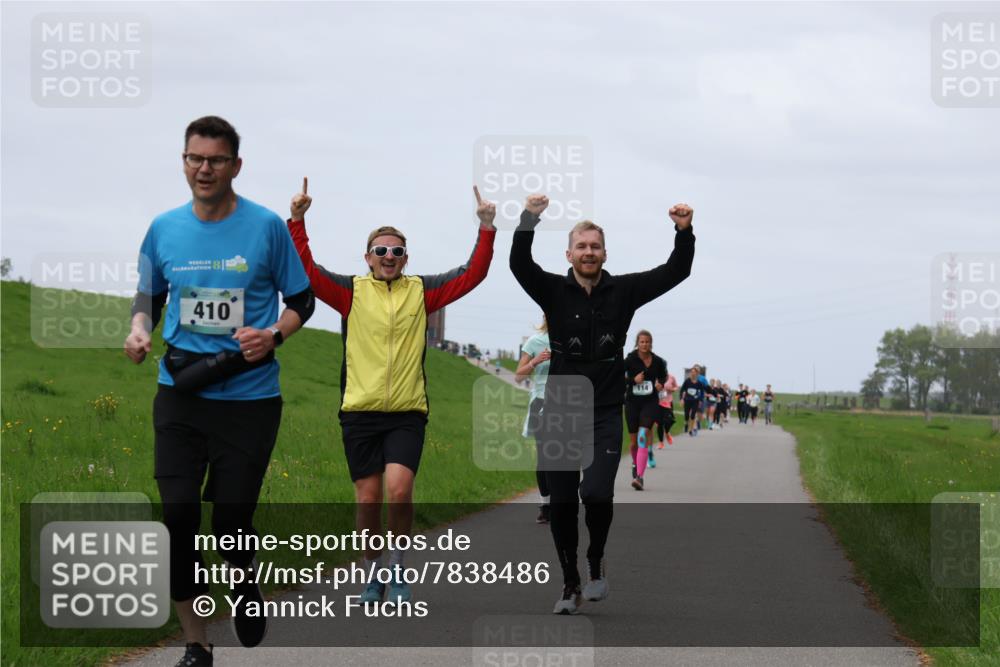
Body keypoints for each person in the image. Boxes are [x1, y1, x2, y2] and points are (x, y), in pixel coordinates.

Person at [124, 116, 315, 667]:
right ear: (183, 161)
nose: (203, 169)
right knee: (178, 516)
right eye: (193, 158)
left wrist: (274, 334)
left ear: (236, 165)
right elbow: (149, 295)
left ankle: (244, 581)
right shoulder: (163, 228)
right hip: (179, 393)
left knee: (230, 519)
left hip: (249, 398)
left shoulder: (266, 228)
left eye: (215, 160)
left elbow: (302, 300)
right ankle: (196, 641)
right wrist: (139, 328)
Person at [287, 182, 496, 607]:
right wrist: (298, 220)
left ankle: (398, 568)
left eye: (397, 252)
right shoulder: (350, 292)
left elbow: (473, 274)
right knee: (367, 499)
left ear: (406, 258)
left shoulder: (423, 291)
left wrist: (487, 227)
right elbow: (305, 269)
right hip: (359, 413)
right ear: (367, 258)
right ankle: (373, 573)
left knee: (399, 490)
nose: (388, 258)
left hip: (406, 412)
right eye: (380, 251)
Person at [510, 193, 695, 614]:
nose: (588, 252)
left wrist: (682, 232)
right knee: (560, 500)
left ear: (604, 252)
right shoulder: (553, 291)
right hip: (559, 410)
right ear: (569, 253)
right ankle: (569, 582)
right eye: (581, 246)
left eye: (595, 246)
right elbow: (519, 264)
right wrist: (528, 220)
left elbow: (676, 271)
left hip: (605, 411)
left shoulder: (623, 291)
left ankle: (595, 561)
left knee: (594, 493)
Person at [515, 316, 552, 523]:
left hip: (566, 405)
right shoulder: (535, 342)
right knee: (544, 457)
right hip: (540, 403)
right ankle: (545, 505)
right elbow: (519, 376)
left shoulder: (570, 339)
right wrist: (535, 361)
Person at [624, 330, 668, 491]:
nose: (645, 344)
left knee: (643, 436)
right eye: (642, 342)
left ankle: (640, 477)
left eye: (647, 342)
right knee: (634, 442)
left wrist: (660, 384)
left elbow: (664, 376)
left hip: (650, 402)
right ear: (637, 343)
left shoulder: (657, 361)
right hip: (632, 403)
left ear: (651, 343)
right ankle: (635, 465)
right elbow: (618, 376)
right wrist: (632, 380)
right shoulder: (630, 359)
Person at [680, 367, 706, 436]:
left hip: (695, 401)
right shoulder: (687, 381)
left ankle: (690, 430)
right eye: (692, 372)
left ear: (697, 373)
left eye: (694, 372)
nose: (692, 373)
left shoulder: (699, 383)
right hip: (687, 400)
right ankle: (686, 424)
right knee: (686, 415)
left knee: (692, 415)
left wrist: (700, 400)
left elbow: (702, 393)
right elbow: (682, 390)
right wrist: (681, 399)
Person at [656, 369, 678, 447]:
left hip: (668, 402)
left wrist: (672, 389)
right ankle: (661, 442)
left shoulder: (671, 377)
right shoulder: (656, 377)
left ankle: (667, 432)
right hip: (657, 403)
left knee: (670, 420)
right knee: (659, 423)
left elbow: (676, 387)